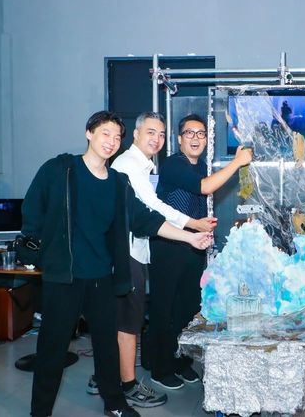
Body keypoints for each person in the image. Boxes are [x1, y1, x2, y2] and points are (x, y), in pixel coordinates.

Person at [23, 111, 213, 417]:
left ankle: (114, 404)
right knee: (52, 349)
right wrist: (35, 247)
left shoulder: (117, 182)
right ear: (89, 133)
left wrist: (190, 237)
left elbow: (145, 219)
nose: (111, 141)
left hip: (102, 275)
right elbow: (33, 208)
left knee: (106, 347)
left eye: (116, 136)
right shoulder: (61, 169)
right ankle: (40, 412)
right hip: (64, 276)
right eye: (105, 134)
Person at [85, 111, 218, 407]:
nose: (156, 139)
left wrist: (192, 232)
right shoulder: (129, 165)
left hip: (135, 250)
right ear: (135, 135)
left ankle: (106, 376)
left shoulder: (143, 166)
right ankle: (126, 385)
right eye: (150, 132)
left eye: (160, 134)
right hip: (125, 254)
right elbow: (152, 207)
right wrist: (192, 226)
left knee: (125, 320)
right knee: (129, 323)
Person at [149, 114, 252, 390]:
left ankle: (181, 361)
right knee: (164, 308)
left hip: (194, 246)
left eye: (201, 134)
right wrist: (237, 162)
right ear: (179, 139)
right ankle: (160, 367)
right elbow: (204, 187)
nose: (195, 138)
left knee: (188, 308)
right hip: (168, 245)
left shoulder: (202, 167)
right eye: (189, 133)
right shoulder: (173, 164)